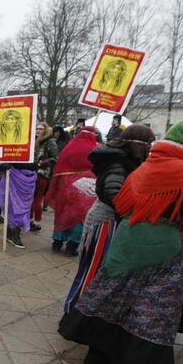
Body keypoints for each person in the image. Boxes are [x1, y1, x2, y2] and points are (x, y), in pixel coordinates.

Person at [59, 119, 183, 364]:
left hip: (126, 241)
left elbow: (122, 202)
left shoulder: (149, 166)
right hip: (158, 250)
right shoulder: (182, 171)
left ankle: (98, 352)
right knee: (156, 313)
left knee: (113, 298)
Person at [63, 124, 154, 313]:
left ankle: (85, 310)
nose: (150, 148)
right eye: (148, 143)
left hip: (111, 219)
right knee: (92, 268)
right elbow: (114, 193)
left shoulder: (122, 159)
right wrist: (134, 210)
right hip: (105, 221)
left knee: (98, 268)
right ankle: (76, 311)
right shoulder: (118, 163)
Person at [44, 126, 98, 256]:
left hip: (66, 185)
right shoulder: (96, 149)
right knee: (81, 216)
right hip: (87, 187)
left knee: (64, 213)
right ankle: (72, 246)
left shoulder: (69, 147)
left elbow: (59, 167)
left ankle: (57, 242)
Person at [0, 160, 37, 249]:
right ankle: (13, 235)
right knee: (11, 207)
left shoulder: (31, 149)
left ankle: (11, 234)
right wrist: (2, 164)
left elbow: (35, 163)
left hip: (28, 181)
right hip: (12, 177)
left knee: (22, 209)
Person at [30, 122, 59, 232]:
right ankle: (29, 220)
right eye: (37, 129)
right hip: (31, 171)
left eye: (41, 129)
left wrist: (41, 163)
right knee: (30, 198)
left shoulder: (50, 141)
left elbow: (56, 157)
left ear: (46, 130)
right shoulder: (35, 140)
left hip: (42, 173)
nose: (38, 131)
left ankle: (37, 222)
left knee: (37, 197)